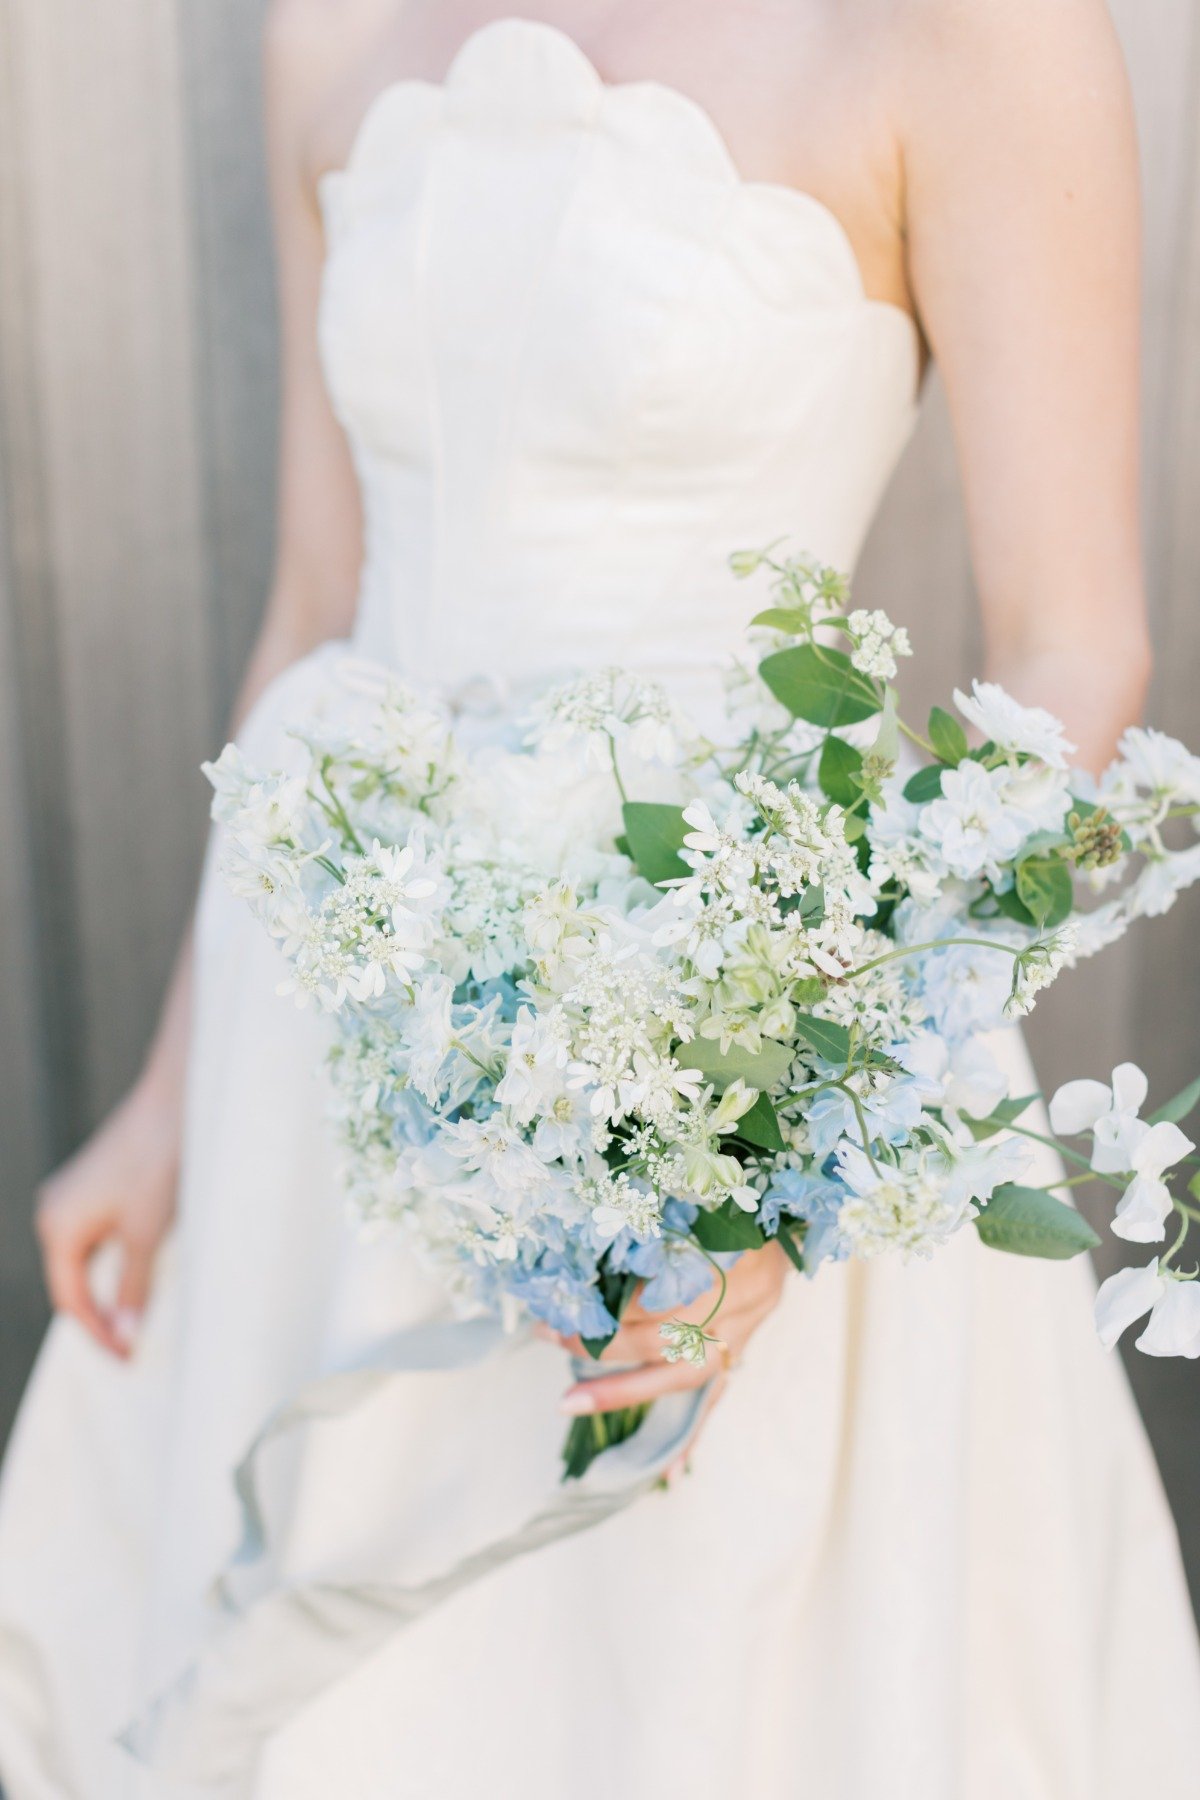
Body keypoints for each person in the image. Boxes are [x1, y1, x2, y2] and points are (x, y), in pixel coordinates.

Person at [2, 5, 1198, 1795]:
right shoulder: (324, 27)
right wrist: (172, 1108)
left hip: (745, 1025)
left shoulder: (978, 34)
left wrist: (780, 1174)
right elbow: (319, 606)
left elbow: (1072, 650)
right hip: (327, 1056)